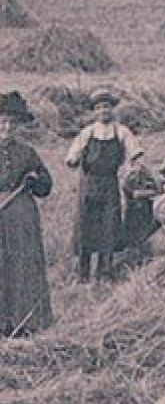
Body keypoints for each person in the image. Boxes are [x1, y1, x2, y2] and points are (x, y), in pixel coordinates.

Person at [64, 86, 144, 283]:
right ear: (94, 111)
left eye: (106, 107)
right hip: (88, 184)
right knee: (86, 226)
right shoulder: (88, 133)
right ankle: (83, 273)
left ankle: (105, 272)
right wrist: (73, 160)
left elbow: (135, 153)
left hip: (110, 184)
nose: (103, 111)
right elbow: (72, 156)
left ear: (112, 109)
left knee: (109, 226)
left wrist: (133, 167)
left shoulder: (121, 132)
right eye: (99, 107)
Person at [0, 91, 53, 336]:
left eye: (12, 122)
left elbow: (46, 185)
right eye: (2, 121)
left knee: (21, 265)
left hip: (21, 217)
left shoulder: (27, 152)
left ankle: (24, 321)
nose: (7, 126)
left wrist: (36, 180)